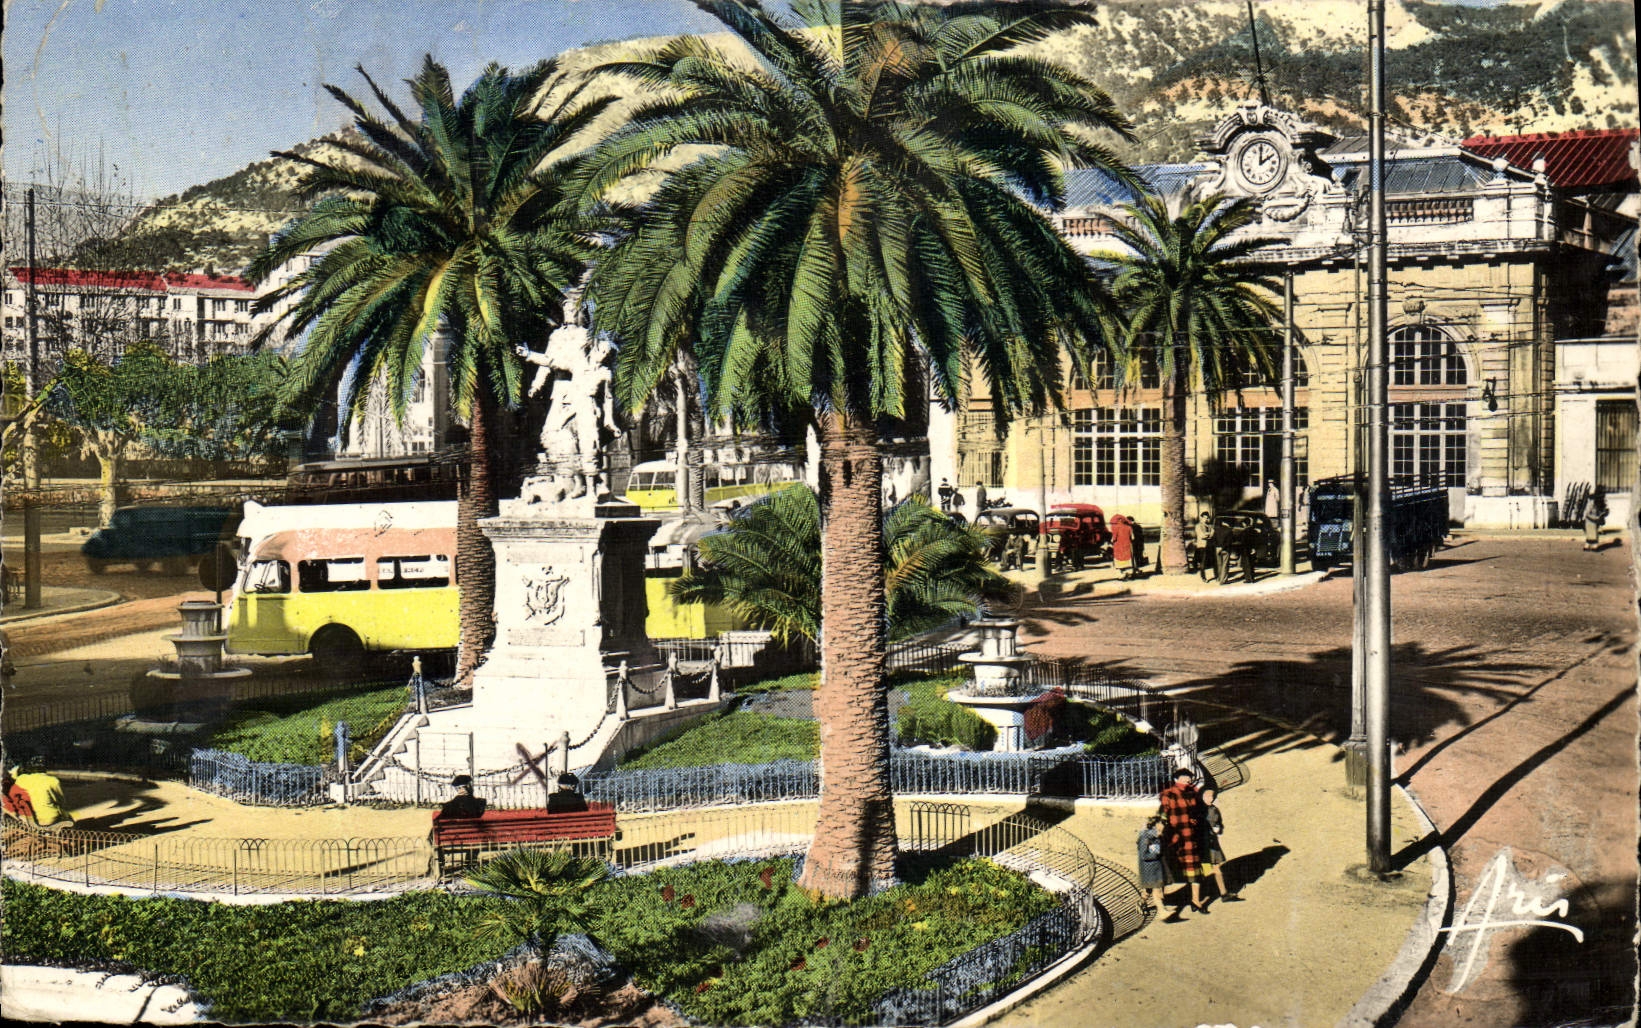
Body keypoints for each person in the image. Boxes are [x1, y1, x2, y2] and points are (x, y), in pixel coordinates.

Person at [1158, 766, 1208, 914]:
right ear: (1176, 779)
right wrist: (1160, 829)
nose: (1188, 780)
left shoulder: (1193, 793)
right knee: (1165, 870)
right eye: (1185, 778)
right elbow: (1163, 814)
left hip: (1191, 837)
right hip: (1174, 838)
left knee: (1194, 869)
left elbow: (1199, 811)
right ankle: (1154, 900)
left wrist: (1195, 819)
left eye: (1189, 778)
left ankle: (1196, 901)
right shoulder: (1169, 794)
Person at [1198, 787, 1241, 902]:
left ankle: (1223, 893)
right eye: (1207, 796)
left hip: (1212, 843)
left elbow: (1219, 824)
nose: (1211, 798)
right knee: (1203, 870)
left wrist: (1218, 829)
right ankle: (1201, 897)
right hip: (1202, 844)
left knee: (1216, 868)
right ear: (1201, 796)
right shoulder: (1197, 810)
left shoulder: (1214, 810)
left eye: (1212, 796)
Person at [11, 764, 72, 828]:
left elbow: (13, 776)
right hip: (50, 820)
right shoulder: (53, 780)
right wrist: (66, 816)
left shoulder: (21, 779)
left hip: (30, 820)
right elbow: (62, 802)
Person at [1136, 814, 1168, 912]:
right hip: (1148, 868)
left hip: (1156, 867)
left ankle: (1141, 903)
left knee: (1149, 890)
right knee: (1157, 889)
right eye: (1158, 830)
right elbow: (1143, 855)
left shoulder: (1156, 837)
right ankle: (1162, 911)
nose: (1160, 833)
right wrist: (1156, 855)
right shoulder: (1145, 838)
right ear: (1153, 827)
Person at [1582, 487, 1609, 551]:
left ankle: (1587, 545)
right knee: (1594, 532)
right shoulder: (1601, 501)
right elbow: (1604, 510)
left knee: (1590, 532)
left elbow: (1588, 510)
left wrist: (1584, 517)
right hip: (1595, 519)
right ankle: (1594, 546)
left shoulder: (1593, 500)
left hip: (1590, 518)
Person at [1191, 511, 1215, 579]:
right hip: (1202, 546)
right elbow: (1201, 535)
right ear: (1201, 518)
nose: (1206, 519)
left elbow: (1212, 533)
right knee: (1202, 562)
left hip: (1209, 546)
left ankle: (1215, 575)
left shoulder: (1209, 526)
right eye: (1204, 518)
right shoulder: (1198, 526)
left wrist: (1208, 535)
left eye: (1207, 518)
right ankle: (1203, 577)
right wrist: (1208, 535)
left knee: (1211, 561)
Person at [1111, 515, 1135, 580]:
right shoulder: (1129, 527)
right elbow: (1133, 538)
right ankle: (1128, 574)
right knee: (1127, 560)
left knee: (1119, 561)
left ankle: (1121, 575)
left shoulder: (1115, 527)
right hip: (1127, 546)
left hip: (1118, 547)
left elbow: (1113, 539)